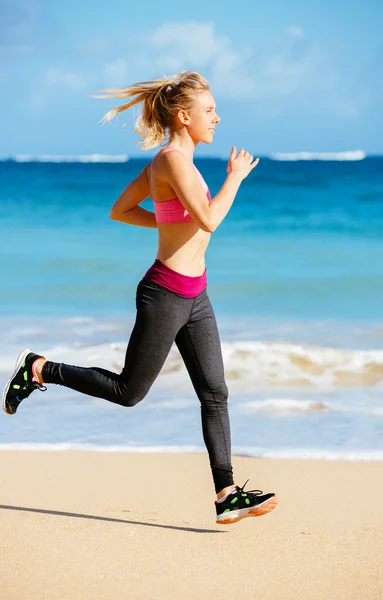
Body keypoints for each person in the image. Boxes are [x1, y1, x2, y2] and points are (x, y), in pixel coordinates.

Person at [2, 70, 279, 524]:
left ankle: (226, 493)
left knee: (215, 393)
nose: (217, 118)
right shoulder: (170, 160)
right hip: (166, 293)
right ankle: (39, 368)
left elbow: (123, 210)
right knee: (129, 392)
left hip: (197, 295)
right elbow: (208, 219)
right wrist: (235, 178)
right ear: (184, 115)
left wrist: (171, 225)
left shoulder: (174, 165)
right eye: (209, 111)